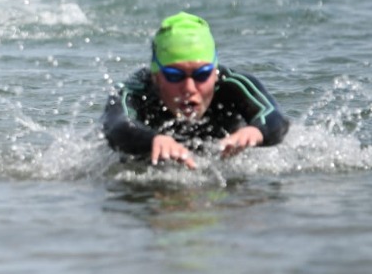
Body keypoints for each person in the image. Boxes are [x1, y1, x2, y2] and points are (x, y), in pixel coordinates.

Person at [101, 12, 289, 169]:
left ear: (214, 72)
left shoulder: (231, 85)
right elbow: (116, 126)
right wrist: (152, 140)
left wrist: (256, 131)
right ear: (156, 77)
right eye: (175, 75)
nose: (189, 88)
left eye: (201, 75)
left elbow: (275, 117)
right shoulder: (136, 90)